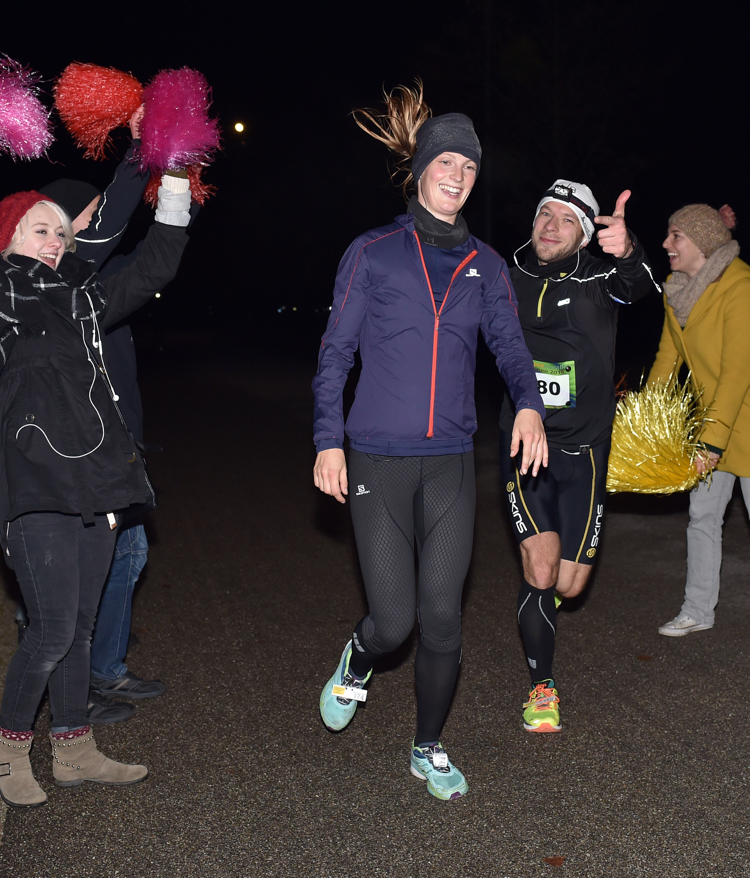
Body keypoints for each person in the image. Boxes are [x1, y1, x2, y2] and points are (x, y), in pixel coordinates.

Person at [311, 83, 546, 800]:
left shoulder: (487, 267)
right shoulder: (374, 252)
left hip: (449, 462)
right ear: (419, 171)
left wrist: (530, 405)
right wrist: (328, 440)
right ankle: (358, 658)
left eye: (470, 168)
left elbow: (509, 348)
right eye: (446, 161)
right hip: (377, 460)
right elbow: (334, 355)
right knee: (394, 622)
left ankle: (428, 746)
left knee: (443, 618)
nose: (458, 175)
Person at [0, 145, 193, 806]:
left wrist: (172, 188)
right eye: (40, 228)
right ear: (8, 236)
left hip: (97, 484)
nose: (56, 239)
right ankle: (8, 753)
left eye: (61, 230)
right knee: (51, 629)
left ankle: (75, 749)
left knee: (78, 627)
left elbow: (153, 267)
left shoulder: (83, 301)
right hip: (33, 489)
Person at [498, 180, 658, 732]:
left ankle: (539, 607)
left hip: (586, 449)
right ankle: (542, 686)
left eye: (566, 220)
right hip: (527, 448)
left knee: (569, 585)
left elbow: (639, 286)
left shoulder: (598, 280)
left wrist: (630, 250)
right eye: (545, 212)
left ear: (586, 233)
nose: (550, 225)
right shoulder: (506, 275)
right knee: (541, 570)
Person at [38, 106, 171, 724]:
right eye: (86, 213)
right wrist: (139, 153)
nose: (99, 219)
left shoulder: (98, 278)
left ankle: (105, 669)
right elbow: (114, 221)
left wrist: (176, 189)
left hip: (120, 444)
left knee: (130, 554)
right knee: (84, 570)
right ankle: (77, 689)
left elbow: (150, 255)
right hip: (77, 455)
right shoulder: (57, 280)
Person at [649, 204, 750, 645]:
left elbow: (737, 373)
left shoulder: (740, 288)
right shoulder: (678, 290)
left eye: (676, 236)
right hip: (715, 419)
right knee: (702, 515)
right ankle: (697, 610)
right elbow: (668, 359)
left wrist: (712, 444)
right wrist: (646, 418)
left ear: (702, 243)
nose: (667, 244)